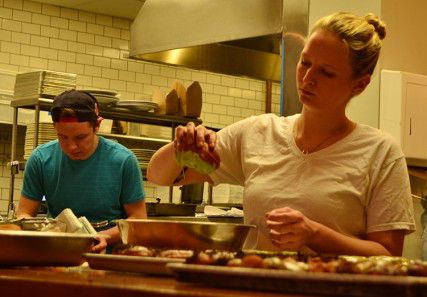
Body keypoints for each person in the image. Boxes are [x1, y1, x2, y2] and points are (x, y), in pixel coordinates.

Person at [147, 12, 415, 256]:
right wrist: (180, 147)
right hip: (257, 283)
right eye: (305, 63)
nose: (308, 78)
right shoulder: (259, 132)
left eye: (326, 73)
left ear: (360, 84)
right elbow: (158, 175)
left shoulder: (380, 152)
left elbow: (389, 255)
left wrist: (315, 234)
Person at [17, 90, 147, 252]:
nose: (71, 146)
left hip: (110, 254)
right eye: (63, 137)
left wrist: (104, 236)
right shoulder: (40, 159)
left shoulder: (123, 160)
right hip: (56, 250)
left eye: (80, 137)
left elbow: (139, 219)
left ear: (97, 125)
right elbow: (24, 214)